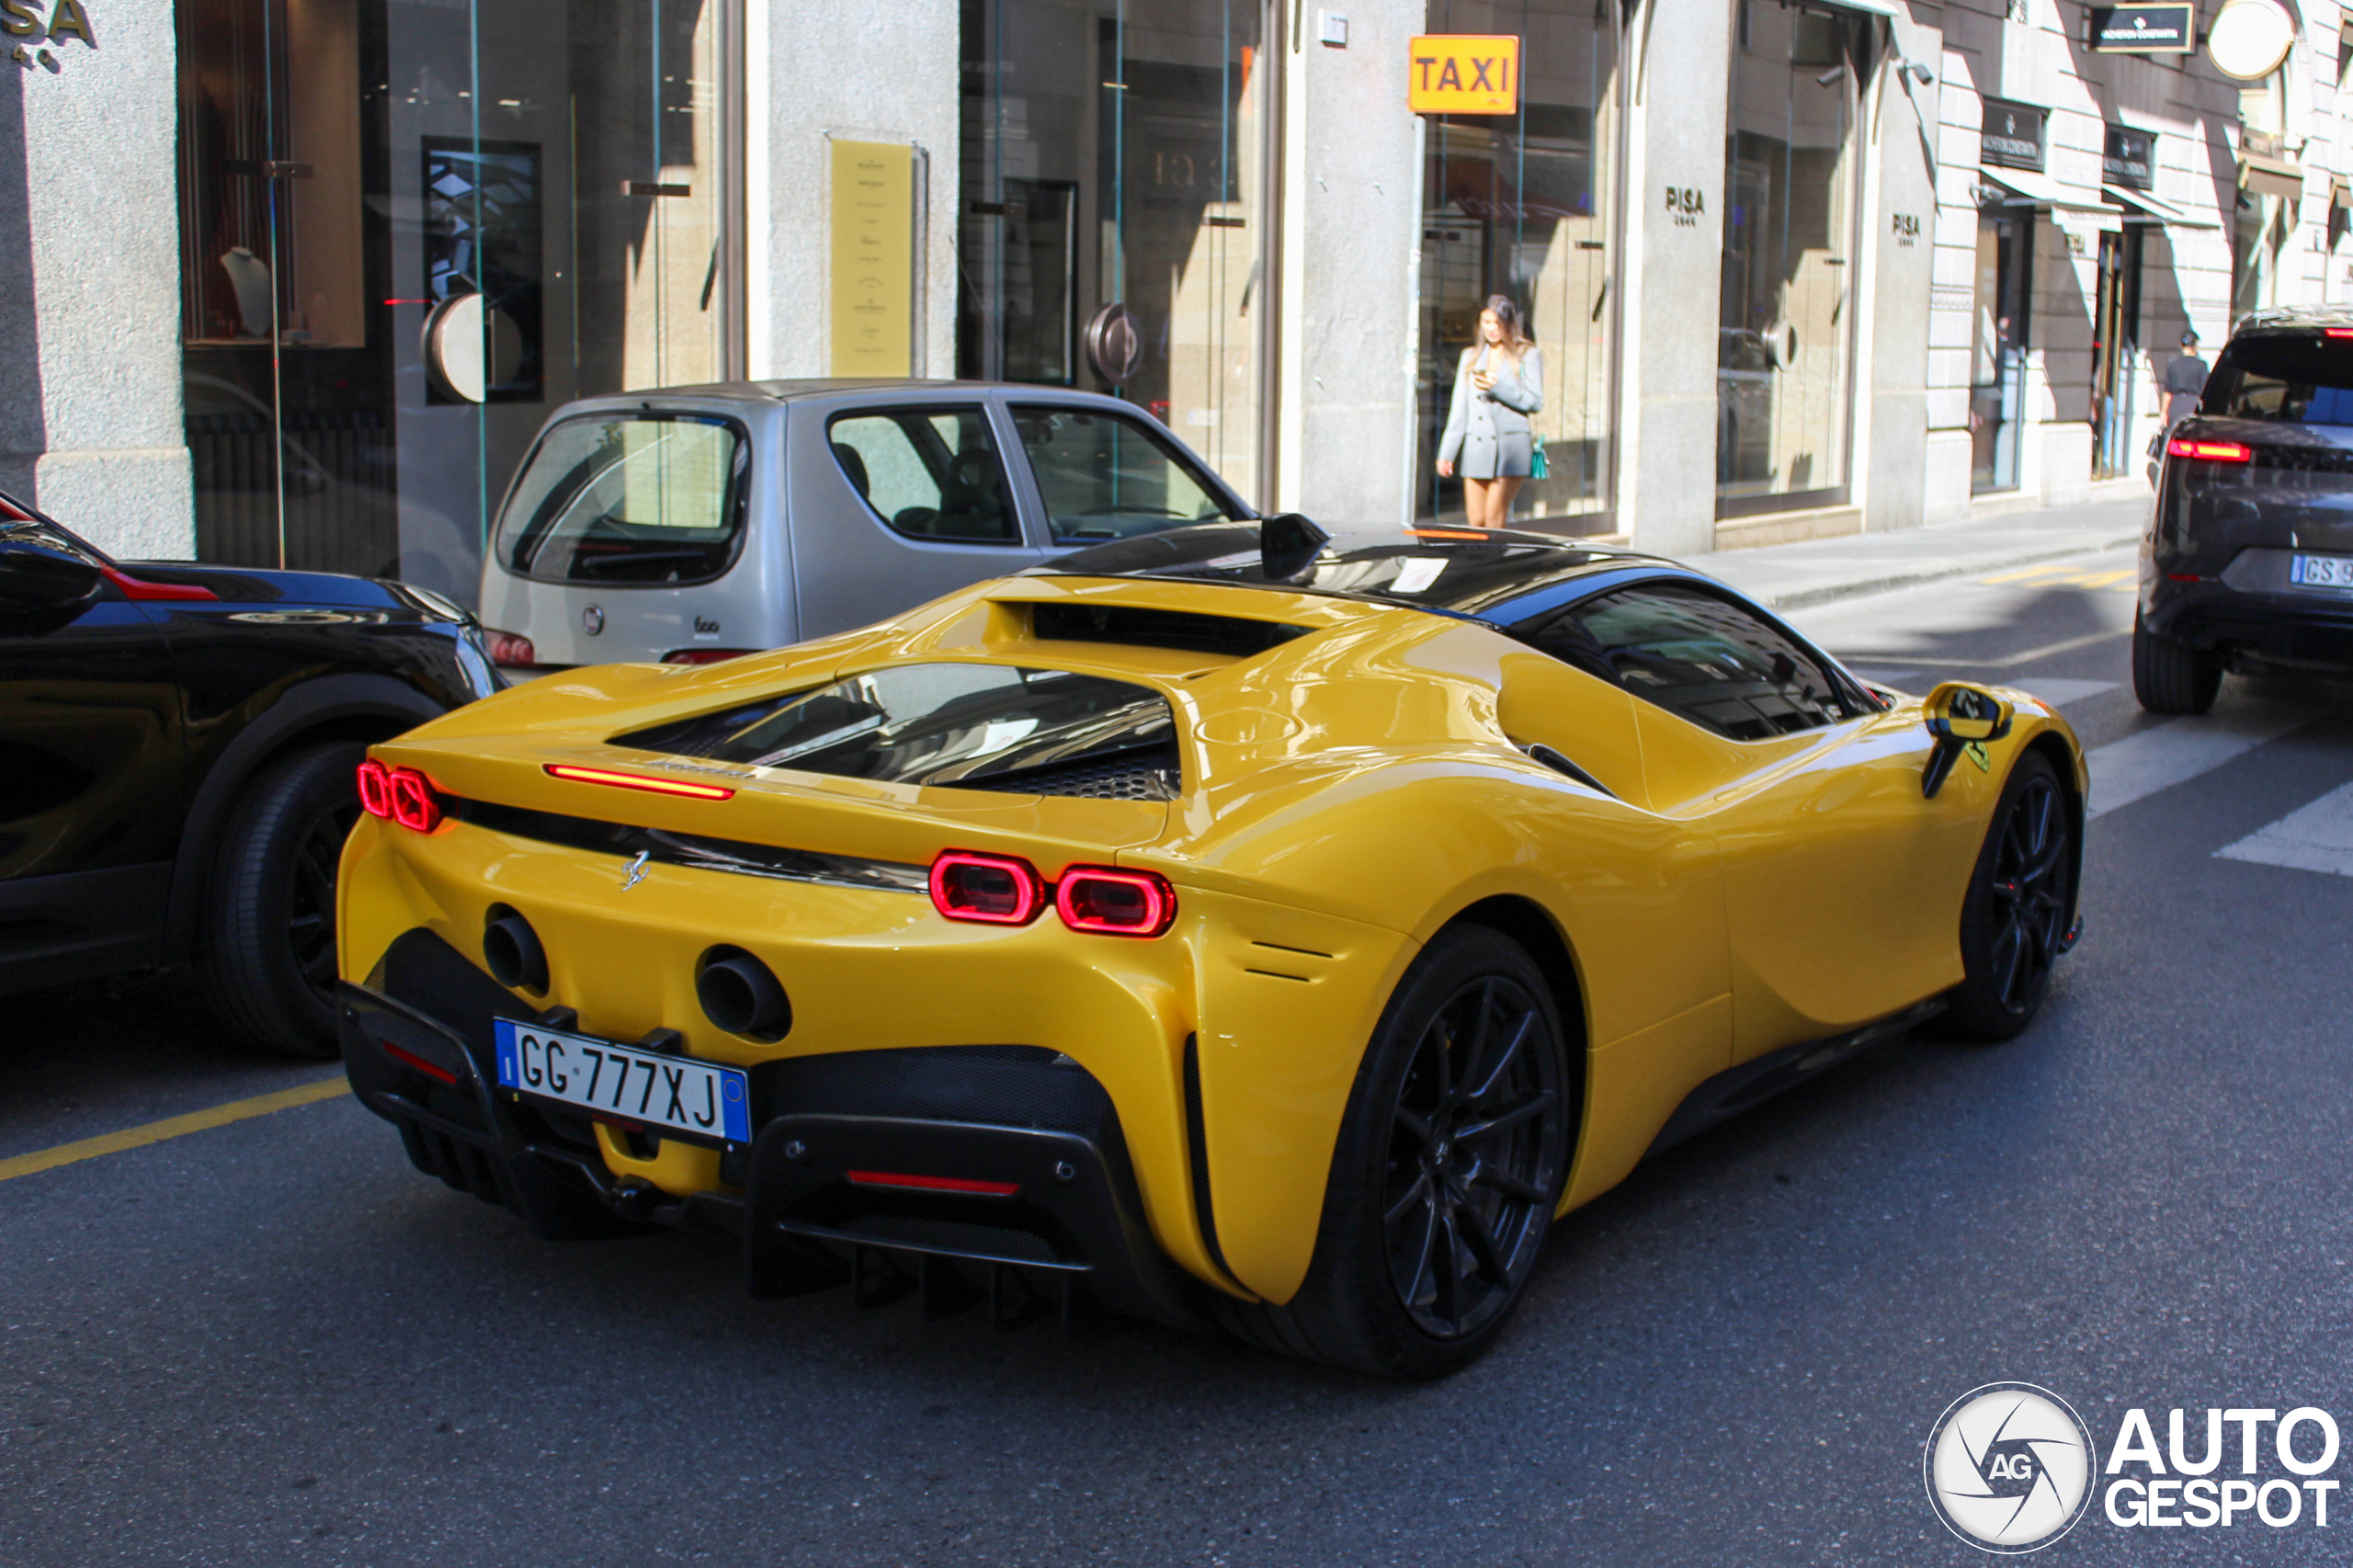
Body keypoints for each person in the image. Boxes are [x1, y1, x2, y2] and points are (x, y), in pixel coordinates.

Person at [1437, 296, 1545, 529]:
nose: (1492, 328)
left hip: (1511, 449)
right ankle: (1481, 564)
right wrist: (1447, 453)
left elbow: (1535, 402)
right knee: (1476, 522)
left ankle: (1500, 564)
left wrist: (1498, 387)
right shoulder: (1471, 357)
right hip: (1478, 445)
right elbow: (1459, 410)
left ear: (1508, 323)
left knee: (1494, 519)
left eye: (1497, 322)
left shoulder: (1527, 354)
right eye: (1487, 322)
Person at [2163, 328, 2210, 429]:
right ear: (2195, 345)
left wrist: (2163, 412)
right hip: (2192, 405)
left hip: (2175, 405)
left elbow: (2168, 391)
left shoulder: (2172, 364)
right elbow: (2205, 390)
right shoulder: (2201, 365)